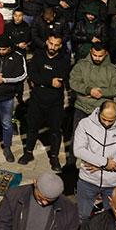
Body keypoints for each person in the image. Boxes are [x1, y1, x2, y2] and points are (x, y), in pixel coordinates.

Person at [74, 101, 116, 220]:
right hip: (88, 179)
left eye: (110, 120)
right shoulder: (85, 124)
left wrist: (101, 166)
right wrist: (105, 163)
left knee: (112, 219)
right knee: (82, 216)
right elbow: (78, 150)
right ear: (98, 112)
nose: (106, 123)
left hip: (113, 183)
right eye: (104, 119)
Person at [21, 33, 69, 171]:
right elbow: (33, 75)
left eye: (56, 45)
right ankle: (28, 153)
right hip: (36, 100)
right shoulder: (38, 56)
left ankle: (54, 157)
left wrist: (40, 80)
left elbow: (58, 82)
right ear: (47, 42)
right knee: (32, 128)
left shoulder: (63, 61)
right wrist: (48, 81)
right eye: (51, 43)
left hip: (55, 103)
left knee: (55, 131)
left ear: (60, 46)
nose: (53, 47)